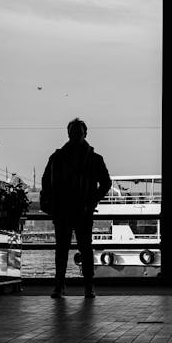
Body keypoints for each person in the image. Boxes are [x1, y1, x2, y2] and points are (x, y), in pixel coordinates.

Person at [40, 118, 112, 299]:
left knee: (65, 249)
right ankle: (87, 286)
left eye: (77, 133)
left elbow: (45, 182)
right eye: (74, 133)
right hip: (79, 210)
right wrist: (92, 201)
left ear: (84, 134)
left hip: (69, 210)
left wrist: (51, 202)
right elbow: (105, 183)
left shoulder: (57, 158)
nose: (75, 137)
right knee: (82, 248)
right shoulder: (94, 159)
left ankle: (61, 286)